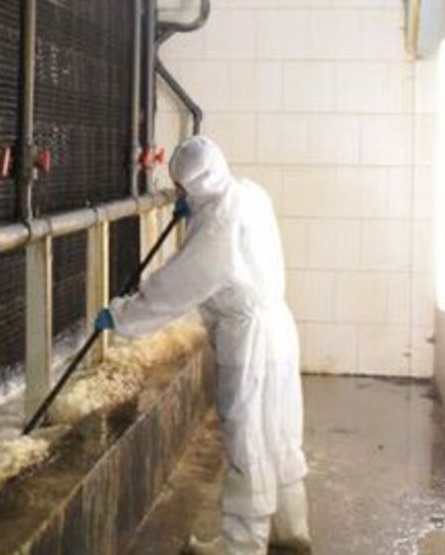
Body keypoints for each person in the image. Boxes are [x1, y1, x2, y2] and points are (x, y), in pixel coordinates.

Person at [95, 135, 311, 554]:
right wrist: (193, 208)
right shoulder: (248, 192)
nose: (177, 194)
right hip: (279, 327)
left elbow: (176, 287)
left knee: (247, 440)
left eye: (181, 189)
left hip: (248, 339)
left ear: (194, 185)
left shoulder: (216, 225)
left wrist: (122, 316)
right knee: (279, 433)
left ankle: (243, 547)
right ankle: (292, 532)